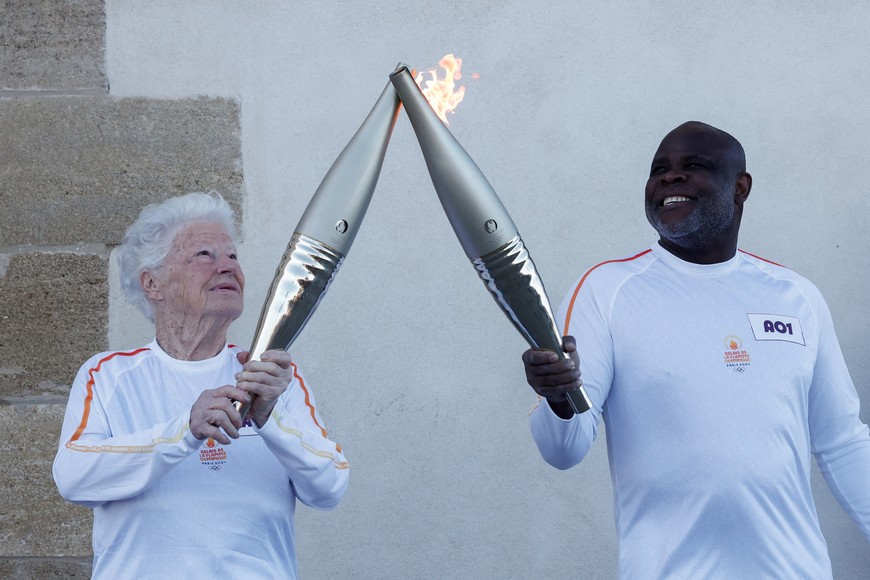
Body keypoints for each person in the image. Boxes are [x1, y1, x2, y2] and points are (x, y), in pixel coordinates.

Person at [522, 122, 870, 578]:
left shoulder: (796, 297)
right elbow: (562, 451)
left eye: (694, 166)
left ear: (740, 188)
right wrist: (558, 399)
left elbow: (843, 442)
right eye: (659, 169)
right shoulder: (606, 292)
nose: (670, 178)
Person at [53, 191, 348, 578]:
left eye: (232, 257)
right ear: (153, 284)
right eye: (204, 256)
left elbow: (329, 488)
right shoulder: (107, 376)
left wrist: (268, 419)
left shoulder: (272, 380)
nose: (227, 268)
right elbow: (74, 476)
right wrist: (184, 433)